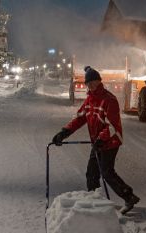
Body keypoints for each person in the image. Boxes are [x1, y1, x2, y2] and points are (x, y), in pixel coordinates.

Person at [52, 66, 140, 214]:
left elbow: (113, 126)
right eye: (88, 83)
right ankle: (94, 201)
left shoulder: (109, 100)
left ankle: (128, 196)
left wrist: (101, 139)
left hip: (111, 141)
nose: (91, 86)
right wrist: (64, 132)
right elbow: (79, 118)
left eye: (94, 82)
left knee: (106, 172)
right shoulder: (90, 100)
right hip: (98, 142)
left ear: (99, 81)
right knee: (91, 173)